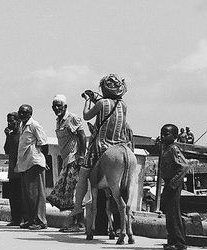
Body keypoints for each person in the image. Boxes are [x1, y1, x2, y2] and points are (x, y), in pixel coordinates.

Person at [69, 74, 131, 220]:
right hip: (120, 144)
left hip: (101, 146)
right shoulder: (124, 105)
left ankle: (78, 206)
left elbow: (86, 116)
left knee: (83, 174)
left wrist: (87, 101)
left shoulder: (101, 104)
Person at [46, 95, 87, 232]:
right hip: (66, 160)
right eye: (54, 106)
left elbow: (82, 136)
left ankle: (79, 223)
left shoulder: (72, 118)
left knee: (75, 191)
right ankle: (74, 222)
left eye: (59, 106)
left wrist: (81, 155)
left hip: (74, 159)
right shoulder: (59, 121)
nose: (56, 108)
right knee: (66, 193)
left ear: (65, 107)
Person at [16, 104, 48, 230]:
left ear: (30, 114)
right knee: (28, 194)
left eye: (24, 113)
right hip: (25, 163)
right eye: (20, 112)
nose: (22, 114)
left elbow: (44, 143)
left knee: (37, 194)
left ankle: (40, 221)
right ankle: (30, 219)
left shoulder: (34, 125)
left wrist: (43, 160)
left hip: (34, 162)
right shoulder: (22, 126)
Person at [159, 124, 189, 250]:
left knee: (174, 213)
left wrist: (173, 183)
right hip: (168, 183)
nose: (163, 136)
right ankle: (171, 240)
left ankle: (180, 242)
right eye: (162, 134)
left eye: (167, 134)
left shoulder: (173, 149)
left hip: (173, 184)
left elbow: (184, 166)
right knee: (169, 212)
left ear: (175, 137)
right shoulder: (165, 148)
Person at [3, 112, 23, 226]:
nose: (10, 124)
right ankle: (15, 218)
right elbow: (6, 150)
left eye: (12, 121)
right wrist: (7, 136)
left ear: (18, 121)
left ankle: (22, 218)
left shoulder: (21, 134)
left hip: (20, 169)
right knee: (13, 196)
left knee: (21, 196)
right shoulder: (11, 135)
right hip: (12, 170)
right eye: (8, 121)